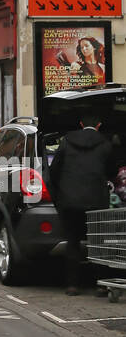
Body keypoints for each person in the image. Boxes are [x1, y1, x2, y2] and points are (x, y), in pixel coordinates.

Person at [49, 118, 116, 295]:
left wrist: (61, 194)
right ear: (99, 125)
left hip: (70, 201)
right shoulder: (105, 144)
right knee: (97, 242)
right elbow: (113, 171)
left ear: (80, 124)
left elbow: (54, 170)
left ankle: (72, 285)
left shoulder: (66, 142)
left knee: (72, 243)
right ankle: (101, 284)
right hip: (96, 202)